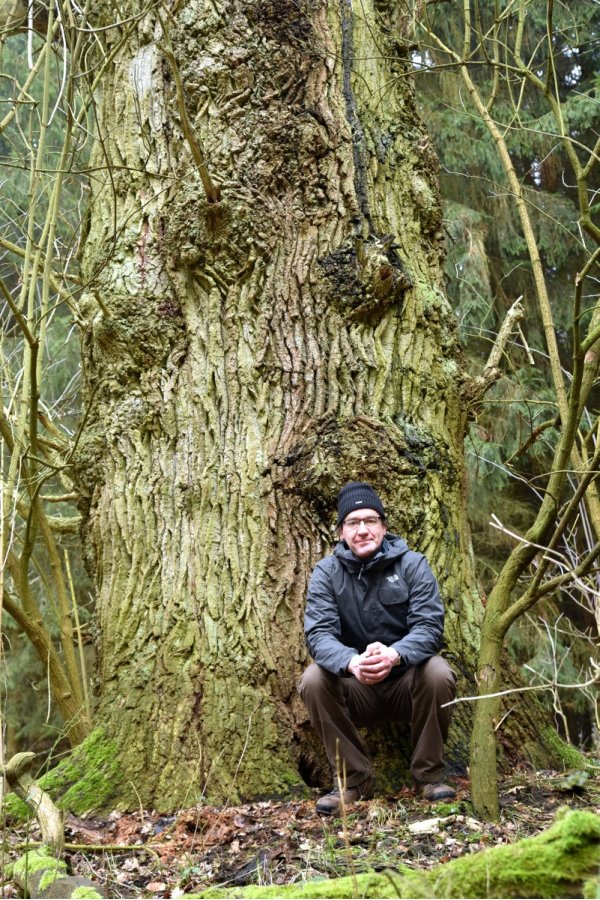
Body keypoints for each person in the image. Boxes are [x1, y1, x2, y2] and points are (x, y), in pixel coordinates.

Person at [299, 481, 457, 815]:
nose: (362, 530)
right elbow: (319, 635)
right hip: (356, 690)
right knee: (313, 679)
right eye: (353, 523)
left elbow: (430, 627)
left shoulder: (413, 565)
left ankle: (429, 776)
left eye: (370, 521)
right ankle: (353, 782)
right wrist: (352, 662)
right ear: (342, 532)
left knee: (438, 672)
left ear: (383, 527)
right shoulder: (326, 573)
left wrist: (395, 654)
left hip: (407, 686)